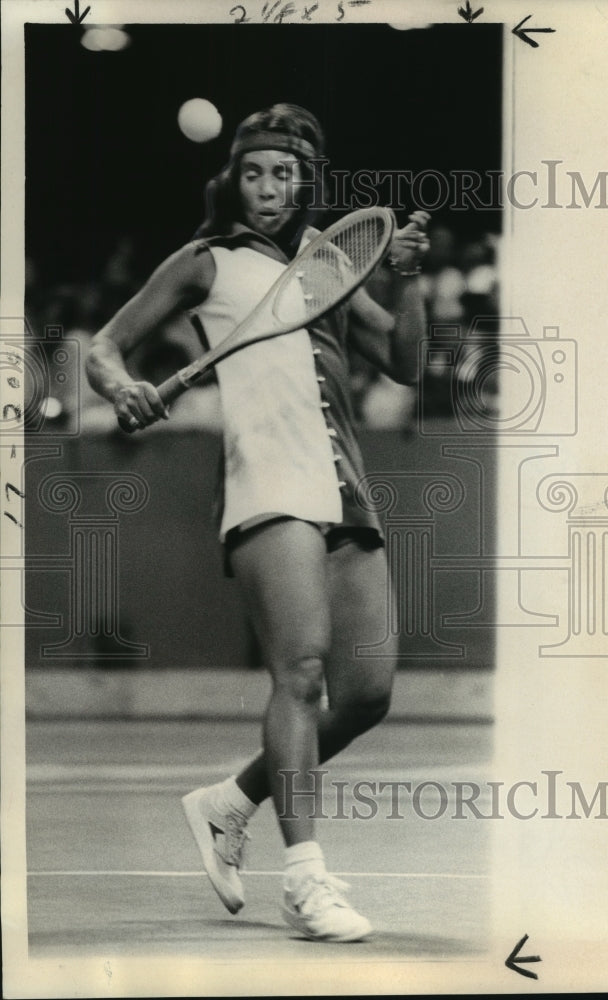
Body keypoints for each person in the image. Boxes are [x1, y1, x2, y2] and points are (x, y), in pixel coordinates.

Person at [86, 104, 430, 942]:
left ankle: (230, 800)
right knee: (302, 673)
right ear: (232, 179)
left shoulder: (329, 266)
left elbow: (408, 362)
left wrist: (407, 278)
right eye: (254, 172)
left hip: (345, 486)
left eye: (285, 173)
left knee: (367, 694)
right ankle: (304, 882)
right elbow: (104, 349)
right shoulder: (205, 263)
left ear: (306, 181)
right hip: (266, 482)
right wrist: (121, 386)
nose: (270, 188)